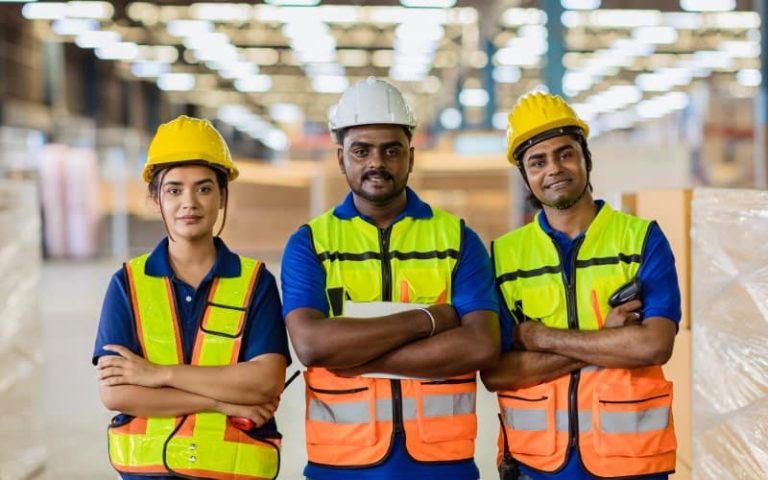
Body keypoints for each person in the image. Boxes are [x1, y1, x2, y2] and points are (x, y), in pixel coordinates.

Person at [280, 76, 501, 480]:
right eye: (361, 151)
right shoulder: (310, 243)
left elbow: (483, 345)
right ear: (340, 157)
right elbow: (312, 344)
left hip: (442, 466)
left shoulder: (458, 239)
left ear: (411, 157)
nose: (376, 163)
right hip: (341, 466)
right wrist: (429, 320)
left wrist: (357, 355)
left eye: (391, 150)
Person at [481, 92, 680, 480]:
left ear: (586, 158)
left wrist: (539, 336)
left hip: (631, 463)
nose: (554, 168)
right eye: (537, 162)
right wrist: (607, 341)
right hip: (536, 465)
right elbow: (497, 373)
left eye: (565, 153)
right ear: (525, 176)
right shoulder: (504, 256)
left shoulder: (641, 239)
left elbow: (654, 345)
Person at [93, 115, 291, 480]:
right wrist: (220, 400)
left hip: (234, 472)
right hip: (148, 472)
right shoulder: (127, 284)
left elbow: (265, 381)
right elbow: (117, 394)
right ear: (155, 199)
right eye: (174, 190)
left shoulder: (255, 282)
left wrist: (158, 374)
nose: (189, 203)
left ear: (221, 196)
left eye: (203, 188)